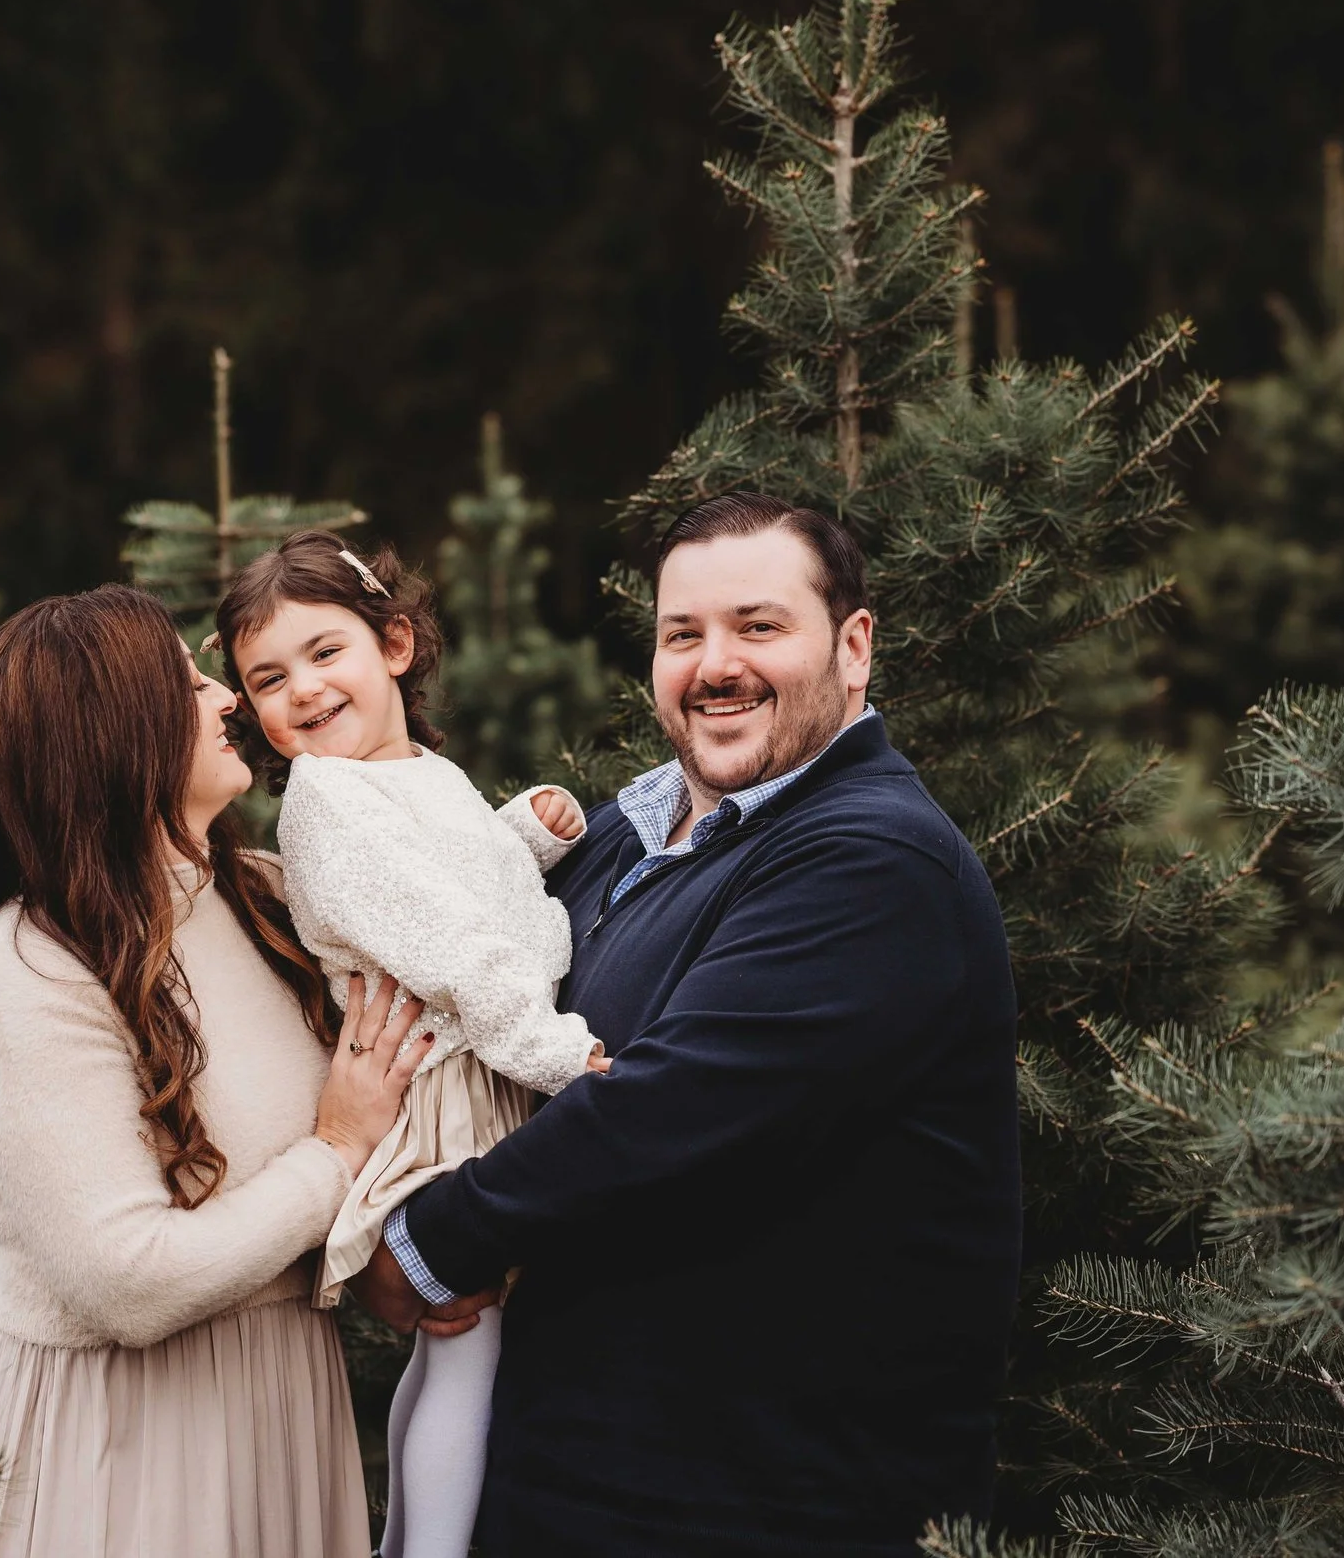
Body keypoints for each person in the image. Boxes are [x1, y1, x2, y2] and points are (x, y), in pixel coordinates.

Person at [357, 492, 1024, 1556]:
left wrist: (425, 1242)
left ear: (853, 647)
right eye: (683, 634)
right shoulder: (626, 834)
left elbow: (668, 1106)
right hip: (577, 1479)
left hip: (763, 1501)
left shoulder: (873, 859)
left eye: (758, 626)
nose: (715, 664)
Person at [0, 584, 435, 1558]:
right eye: (189, 680)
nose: (227, 699)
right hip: (121, 1448)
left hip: (281, 1413)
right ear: (113, 731)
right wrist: (335, 1151)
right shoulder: (32, 962)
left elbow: (448, 915)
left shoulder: (259, 897)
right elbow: (125, 1280)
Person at [211, 532, 604, 1558]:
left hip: (478, 1056)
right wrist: (556, 1053)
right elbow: (447, 949)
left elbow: (446, 878)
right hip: (456, 1080)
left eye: (323, 652)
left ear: (393, 645)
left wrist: (526, 832)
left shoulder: (408, 775)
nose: (301, 688)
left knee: (457, 1341)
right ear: (249, 709)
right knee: (465, 1337)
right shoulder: (329, 799)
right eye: (268, 677)